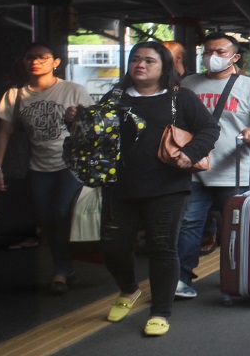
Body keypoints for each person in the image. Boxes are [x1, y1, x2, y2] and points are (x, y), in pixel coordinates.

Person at [85, 42, 219, 336]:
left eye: (149, 61)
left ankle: (160, 311)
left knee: (162, 247)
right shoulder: (115, 97)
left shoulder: (180, 97)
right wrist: (79, 121)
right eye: (135, 60)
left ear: (164, 68)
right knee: (113, 246)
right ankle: (129, 289)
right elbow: (98, 135)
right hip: (119, 186)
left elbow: (209, 129)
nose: (140, 65)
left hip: (167, 187)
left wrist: (192, 153)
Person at [175, 33, 250, 299]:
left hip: (235, 172)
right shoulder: (189, 83)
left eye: (220, 52)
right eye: (208, 51)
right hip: (195, 170)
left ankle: (245, 278)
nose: (212, 57)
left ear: (235, 57)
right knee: (188, 225)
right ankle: (181, 279)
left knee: (241, 228)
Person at [0, 42, 93, 291]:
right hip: (38, 167)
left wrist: (76, 117)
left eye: (42, 57)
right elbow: (4, 131)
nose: (35, 61)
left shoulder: (73, 90)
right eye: (30, 57)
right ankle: (65, 269)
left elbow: (94, 126)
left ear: (55, 62)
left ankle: (60, 271)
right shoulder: (15, 95)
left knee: (60, 212)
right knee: (48, 221)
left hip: (71, 164)